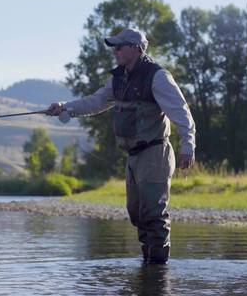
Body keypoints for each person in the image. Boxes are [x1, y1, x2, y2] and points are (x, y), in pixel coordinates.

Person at [46, 28, 196, 264]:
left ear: (136, 48)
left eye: (119, 46)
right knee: (136, 214)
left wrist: (188, 145)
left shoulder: (158, 76)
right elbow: (95, 102)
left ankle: (157, 271)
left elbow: (181, 112)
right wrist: (65, 107)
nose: (114, 51)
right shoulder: (119, 78)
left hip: (155, 153)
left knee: (153, 214)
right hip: (133, 156)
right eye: (113, 47)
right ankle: (148, 267)